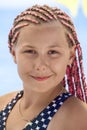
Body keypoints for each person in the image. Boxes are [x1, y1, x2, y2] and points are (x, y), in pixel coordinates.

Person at [0, 4, 87, 130]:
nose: (40, 65)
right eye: (30, 51)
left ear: (71, 56)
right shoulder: (3, 104)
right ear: (14, 53)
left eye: (53, 52)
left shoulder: (78, 118)